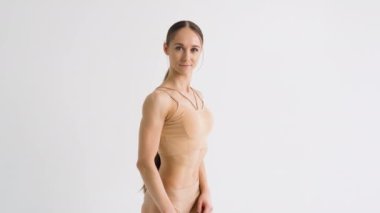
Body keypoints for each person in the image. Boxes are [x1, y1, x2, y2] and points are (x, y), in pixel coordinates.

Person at [136, 20, 214, 213]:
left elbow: (196, 151)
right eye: (179, 48)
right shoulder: (159, 100)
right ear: (166, 48)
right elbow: (145, 163)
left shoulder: (198, 97)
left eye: (194, 50)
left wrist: (206, 191)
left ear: (201, 51)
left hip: (195, 203)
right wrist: (168, 210)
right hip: (167, 205)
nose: (187, 56)